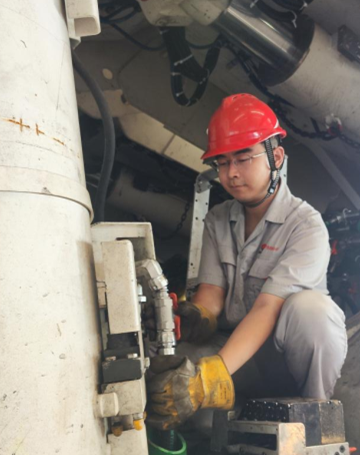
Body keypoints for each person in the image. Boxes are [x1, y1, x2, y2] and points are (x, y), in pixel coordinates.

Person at [147, 93, 347, 430]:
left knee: (312, 310)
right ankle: (221, 434)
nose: (232, 174)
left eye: (243, 159)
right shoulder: (218, 219)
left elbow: (268, 308)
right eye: (223, 163)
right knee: (172, 376)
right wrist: (195, 317)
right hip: (238, 353)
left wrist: (211, 375)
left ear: (275, 156)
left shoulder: (306, 225)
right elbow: (211, 294)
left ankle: (315, 419)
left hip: (285, 362)